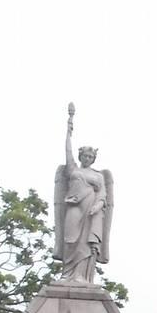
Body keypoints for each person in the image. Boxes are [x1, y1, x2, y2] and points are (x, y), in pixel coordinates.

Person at [54, 103, 113, 283]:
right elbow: (67, 151)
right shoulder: (73, 169)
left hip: (92, 212)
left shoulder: (98, 175)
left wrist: (97, 206)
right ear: (80, 157)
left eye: (90, 157)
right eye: (85, 156)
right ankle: (68, 274)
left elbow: (103, 195)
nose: (87, 159)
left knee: (87, 244)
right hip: (75, 208)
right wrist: (68, 129)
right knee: (70, 240)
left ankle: (83, 277)